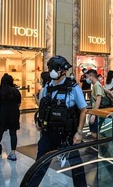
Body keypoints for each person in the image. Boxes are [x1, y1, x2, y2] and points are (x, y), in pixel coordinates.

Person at [33, 55, 87, 186]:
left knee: (76, 165)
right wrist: (39, 122)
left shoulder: (73, 87)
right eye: (51, 68)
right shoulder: (47, 87)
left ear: (63, 71)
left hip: (67, 135)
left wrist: (79, 132)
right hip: (48, 133)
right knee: (39, 164)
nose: (52, 71)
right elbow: (42, 107)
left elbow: (84, 110)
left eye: (55, 68)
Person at [86, 69, 113, 141]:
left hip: (98, 111)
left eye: (87, 77)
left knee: (94, 132)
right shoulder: (98, 84)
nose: (87, 79)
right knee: (95, 131)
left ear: (91, 76)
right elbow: (108, 91)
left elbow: (98, 99)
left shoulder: (96, 85)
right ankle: (99, 146)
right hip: (99, 111)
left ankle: (103, 145)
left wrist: (94, 114)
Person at [0, 74, 21, 161]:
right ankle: (13, 153)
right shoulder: (16, 91)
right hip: (14, 113)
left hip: (2, 113)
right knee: (13, 133)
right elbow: (19, 104)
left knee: (0, 132)